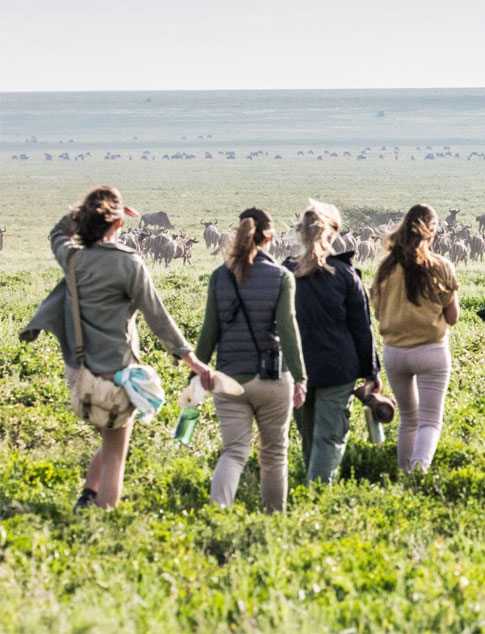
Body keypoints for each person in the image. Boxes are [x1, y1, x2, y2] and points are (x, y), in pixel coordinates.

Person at [44, 186, 212, 510]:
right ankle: (103, 519)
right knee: (115, 454)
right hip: (115, 373)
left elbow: (57, 233)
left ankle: (87, 495)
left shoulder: (73, 257)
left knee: (109, 441)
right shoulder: (129, 262)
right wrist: (191, 359)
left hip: (79, 373)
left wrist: (82, 213)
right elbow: (157, 316)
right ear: (119, 224)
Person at [196, 207, 307, 513]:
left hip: (229, 379)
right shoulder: (281, 276)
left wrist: (196, 375)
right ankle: (273, 519)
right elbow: (288, 330)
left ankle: (218, 514)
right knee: (274, 454)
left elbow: (208, 332)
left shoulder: (220, 276)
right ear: (269, 238)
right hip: (272, 378)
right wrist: (300, 377)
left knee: (233, 453)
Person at [285, 200, 381, 485]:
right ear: (333, 234)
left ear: (301, 233)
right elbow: (362, 328)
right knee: (329, 436)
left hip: (296, 368)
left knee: (307, 434)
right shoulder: (346, 275)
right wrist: (371, 372)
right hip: (338, 368)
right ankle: (317, 496)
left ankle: (309, 491)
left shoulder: (285, 273)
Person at [370, 203, 459, 473]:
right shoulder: (440, 266)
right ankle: (418, 472)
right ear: (431, 232)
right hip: (431, 351)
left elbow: (378, 313)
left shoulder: (386, 268)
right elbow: (452, 317)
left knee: (408, 419)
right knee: (430, 421)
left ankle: (403, 472)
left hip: (394, 352)